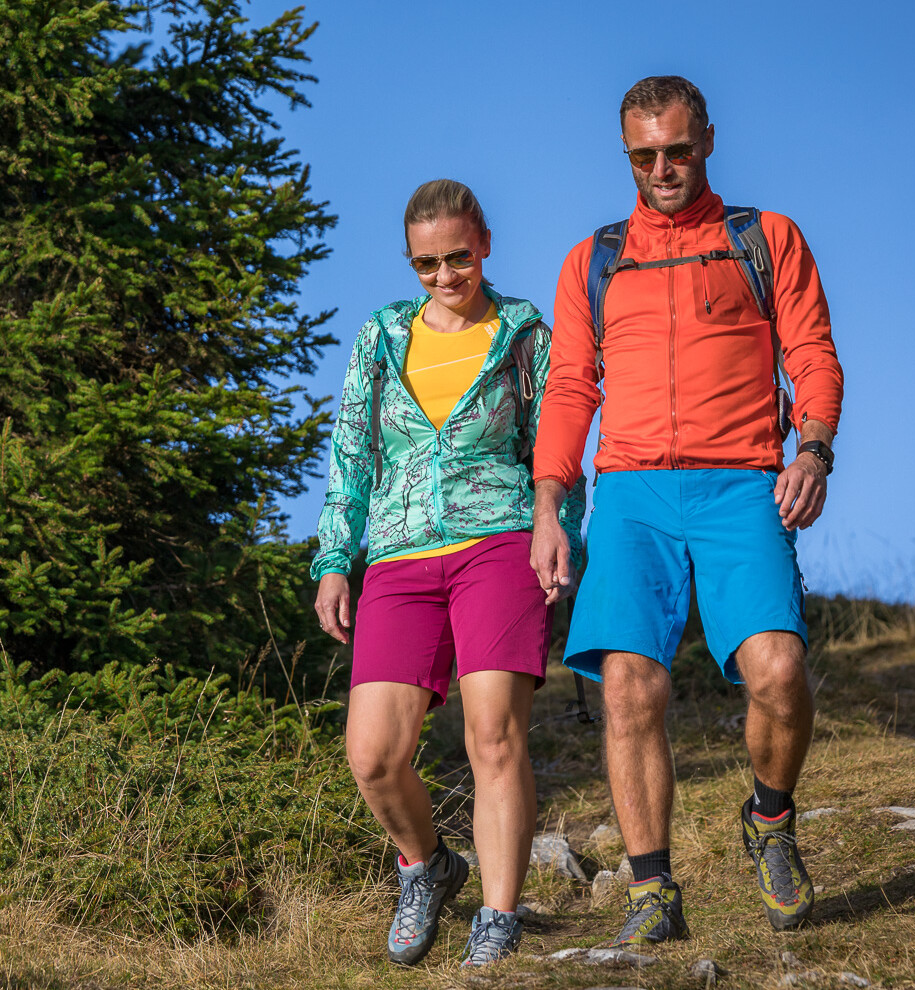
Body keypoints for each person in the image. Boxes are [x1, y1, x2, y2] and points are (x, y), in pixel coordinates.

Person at [528, 76, 845, 945]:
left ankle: (770, 821)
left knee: (778, 673)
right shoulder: (593, 259)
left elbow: (813, 355)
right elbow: (568, 388)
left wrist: (813, 450)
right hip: (631, 490)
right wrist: (549, 505)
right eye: (643, 156)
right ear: (625, 153)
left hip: (742, 482)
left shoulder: (764, 239)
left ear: (707, 138)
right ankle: (652, 895)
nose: (662, 168)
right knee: (631, 687)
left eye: (676, 150)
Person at [312, 179, 585, 968]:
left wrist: (559, 534)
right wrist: (335, 560)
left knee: (492, 734)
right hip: (397, 555)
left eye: (458, 258)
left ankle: (498, 917)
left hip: (499, 540)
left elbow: (555, 452)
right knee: (373, 754)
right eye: (426, 264)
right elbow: (352, 455)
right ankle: (427, 867)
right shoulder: (383, 335)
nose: (444, 277)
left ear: (485, 244)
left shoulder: (524, 329)